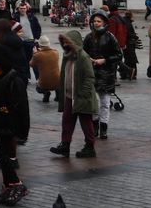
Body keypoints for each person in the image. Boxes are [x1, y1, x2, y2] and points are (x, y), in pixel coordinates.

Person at [0, 43, 30, 205]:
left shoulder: (13, 79)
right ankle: (9, 186)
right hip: (0, 122)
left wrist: (21, 131)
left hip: (10, 123)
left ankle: (16, 185)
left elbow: (21, 106)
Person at [50, 29, 98, 159]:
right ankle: (65, 145)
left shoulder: (83, 57)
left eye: (67, 42)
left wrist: (83, 93)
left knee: (86, 123)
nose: (65, 45)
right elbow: (64, 75)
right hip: (69, 96)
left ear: (74, 43)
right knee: (67, 122)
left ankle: (90, 147)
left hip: (81, 96)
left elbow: (89, 77)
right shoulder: (67, 57)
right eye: (63, 42)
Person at [82, 10, 122, 140]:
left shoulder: (110, 37)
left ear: (104, 22)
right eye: (94, 21)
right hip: (92, 73)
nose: (96, 23)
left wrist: (104, 60)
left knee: (104, 102)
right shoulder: (89, 37)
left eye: (99, 21)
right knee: (93, 102)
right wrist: (88, 59)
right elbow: (83, 53)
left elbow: (118, 55)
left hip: (106, 73)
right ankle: (94, 127)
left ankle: (104, 127)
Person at [29, 35, 60, 104]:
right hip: (57, 81)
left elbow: (31, 64)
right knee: (57, 83)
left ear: (39, 45)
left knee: (38, 87)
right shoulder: (56, 52)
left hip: (44, 83)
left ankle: (45, 92)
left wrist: (35, 53)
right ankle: (58, 94)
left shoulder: (37, 55)